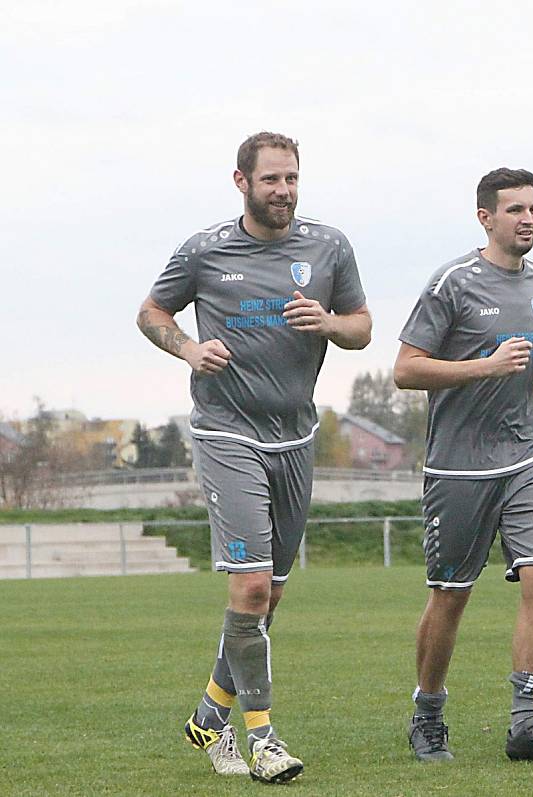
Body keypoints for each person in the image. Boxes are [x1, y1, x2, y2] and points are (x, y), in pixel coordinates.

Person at [137, 131, 371, 783]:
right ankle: (262, 738)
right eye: (271, 179)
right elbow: (152, 310)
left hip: (295, 439)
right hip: (225, 433)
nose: (284, 190)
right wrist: (186, 347)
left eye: (292, 178)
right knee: (250, 585)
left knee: (267, 600)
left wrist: (327, 322)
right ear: (241, 182)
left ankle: (209, 715)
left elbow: (363, 327)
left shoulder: (329, 247)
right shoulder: (206, 251)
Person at [393, 167, 533, 764]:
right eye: (515, 210)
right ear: (486, 218)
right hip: (458, 466)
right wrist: (486, 366)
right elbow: (405, 369)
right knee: (451, 594)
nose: (528, 219)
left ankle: (525, 724)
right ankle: (427, 716)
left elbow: (512, 365)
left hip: (525, 451)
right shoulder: (452, 282)